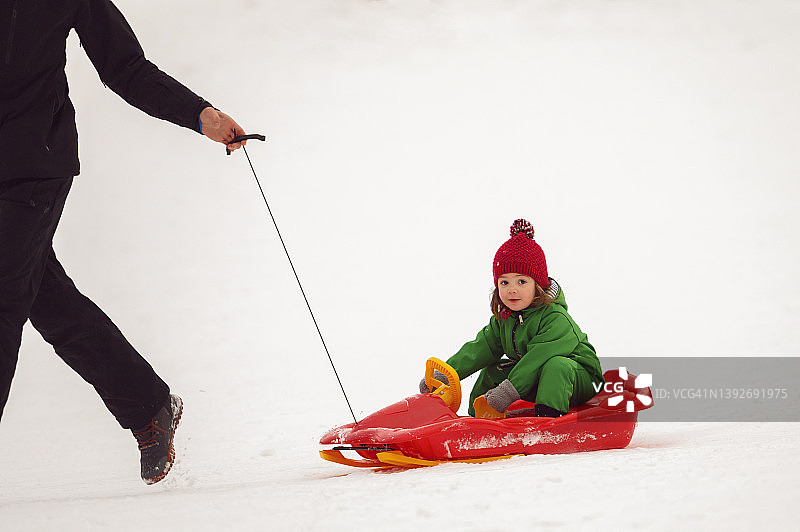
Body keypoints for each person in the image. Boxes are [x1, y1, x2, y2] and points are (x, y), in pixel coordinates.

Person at [0, 0, 247, 484]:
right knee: (44, 298)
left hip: (33, 169)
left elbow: (125, 67)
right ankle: (146, 403)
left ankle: (145, 404)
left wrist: (201, 115)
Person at [421, 219, 604, 418]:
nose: (512, 289)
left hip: (579, 379)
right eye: (504, 282)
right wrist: (444, 376)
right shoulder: (504, 319)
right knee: (494, 370)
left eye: (522, 281)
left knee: (556, 366)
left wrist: (506, 393)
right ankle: (477, 419)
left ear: (538, 285)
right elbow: (478, 349)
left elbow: (535, 361)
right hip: (539, 379)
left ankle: (547, 419)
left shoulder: (556, 319)